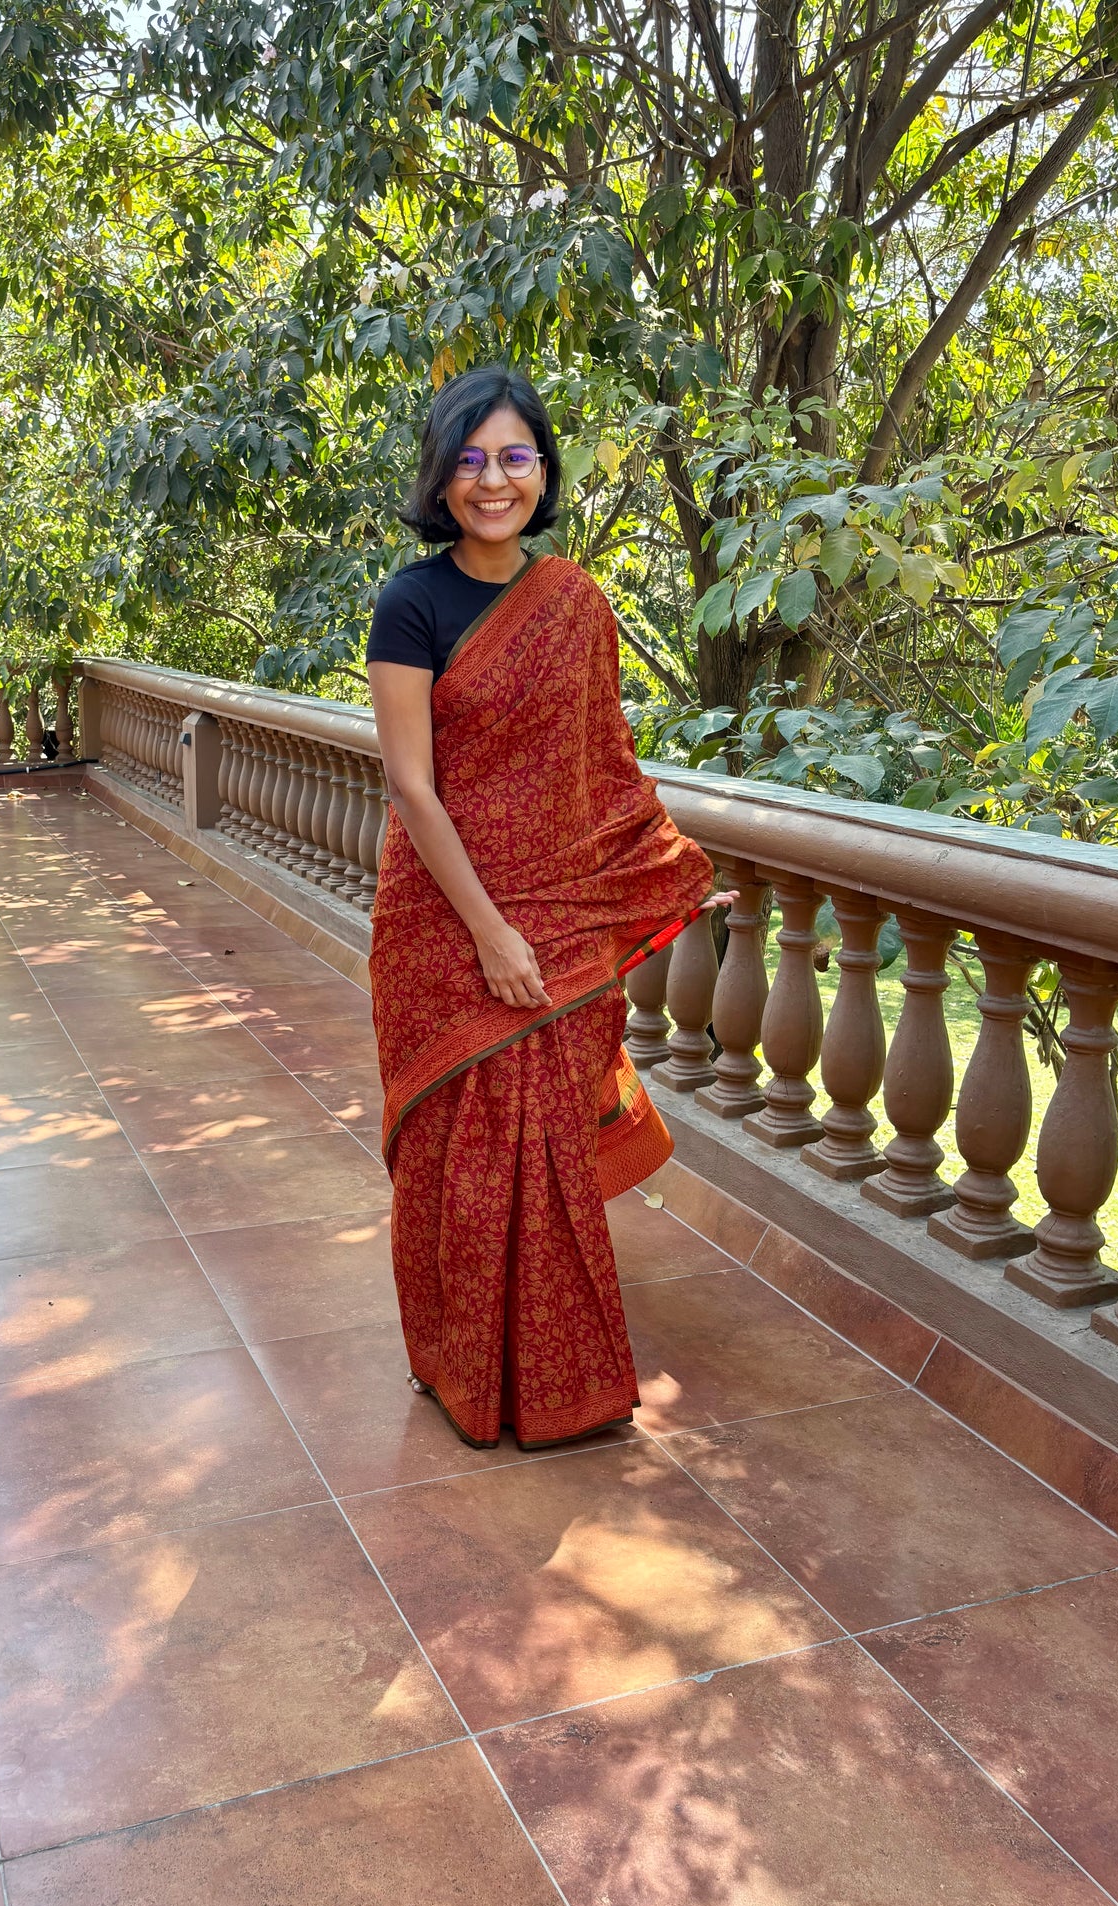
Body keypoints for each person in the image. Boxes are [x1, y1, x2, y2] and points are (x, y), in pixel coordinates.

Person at [366, 366, 730, 1450]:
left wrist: (652, 865)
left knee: (543, 1162)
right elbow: (411, 787)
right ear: (440, 477)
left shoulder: (571, 603)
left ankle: (558, 1387)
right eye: (470, 459)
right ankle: (459, 1370)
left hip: (552, 912)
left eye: (514, 457)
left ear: (543, 472)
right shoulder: (411, 602)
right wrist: (489, 932)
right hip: (441, 922)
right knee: (458, 1170)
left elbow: (598, 770)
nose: (493, 480)